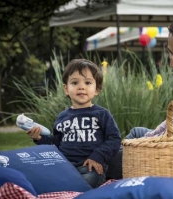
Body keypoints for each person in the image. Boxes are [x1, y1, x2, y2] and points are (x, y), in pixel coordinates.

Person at [26, 59, 121, 188]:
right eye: (75, 82)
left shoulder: (102, 114)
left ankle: (71, 188)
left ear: (97, 89)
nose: (81, 87)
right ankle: (66, 186)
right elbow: (56, 144)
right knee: (43, 177)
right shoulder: (62, 117)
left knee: (90, 179)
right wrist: (39, 138)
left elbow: (114, 139)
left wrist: (97, 156)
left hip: (89, 167)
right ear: (66, 88)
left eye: (88, 82)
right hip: (65, 166)